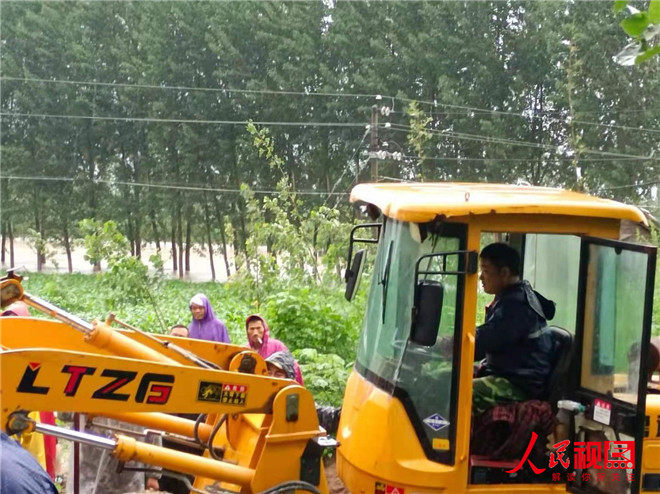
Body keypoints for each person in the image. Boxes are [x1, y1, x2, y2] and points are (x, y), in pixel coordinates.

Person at [473, 242, 556, 415]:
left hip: (519, 383)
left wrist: (450, 344)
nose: (480, 277)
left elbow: (485, 341)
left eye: (485, 271)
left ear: (504, 273)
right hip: (502, 371)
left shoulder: (516, 305)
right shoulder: (511, 296)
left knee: (457, 389)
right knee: (443, 376)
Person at [245, 314, 303, 385]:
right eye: (252, 329)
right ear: (247, 331)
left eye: (258, 328)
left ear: (264, 329)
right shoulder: (244, 350)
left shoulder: (277, 345)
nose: (255, 333)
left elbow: (293, 366)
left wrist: (296, 387)